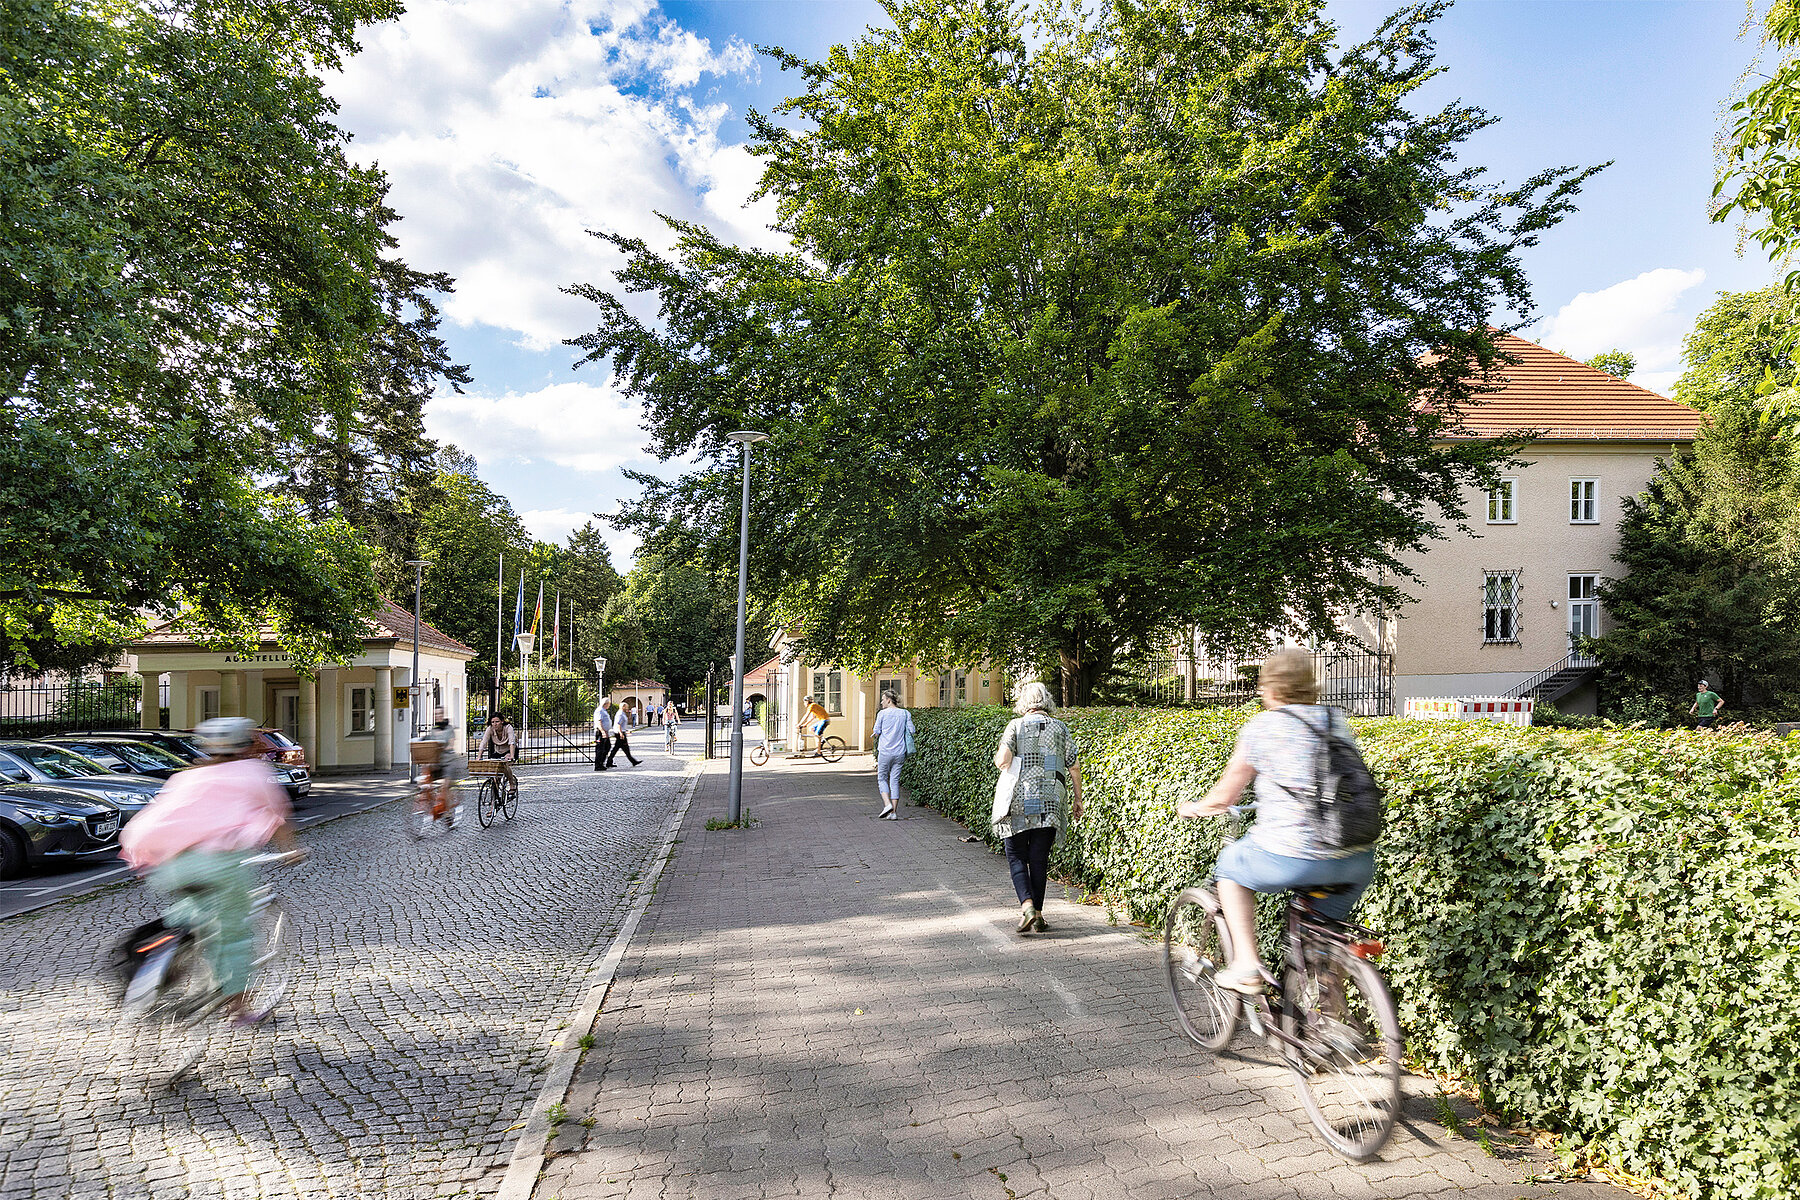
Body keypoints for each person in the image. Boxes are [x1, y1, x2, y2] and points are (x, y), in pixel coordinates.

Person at [1177, 648, 1380, 994]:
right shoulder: (1334, 720)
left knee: (1229, 868)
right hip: (1355, 858)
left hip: (1291, 857)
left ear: (1269, 688)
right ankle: (1330, 1018)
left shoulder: (1263, 726)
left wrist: (1195, 806)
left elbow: (1226, 796)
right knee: (1321, 936)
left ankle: (1246, 966)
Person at [119, 717, 304, 1023]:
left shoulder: (186, 777)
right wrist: (290, 851)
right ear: (245, 744)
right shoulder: (252, 772)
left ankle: (168, 962)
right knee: (234, 935)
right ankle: (239, 1009)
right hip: (218, 865)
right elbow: (278, 816)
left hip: (169, 864)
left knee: (190, 917)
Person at [992, 682, 1082, 933]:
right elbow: (1073, 766)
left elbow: (1003, 760)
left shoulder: (1015, 726)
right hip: (1051, 800)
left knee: (1016, 855)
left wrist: (1004, 757)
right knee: (1039, 858)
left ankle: (1028, 906)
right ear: (1046, 701)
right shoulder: (1060, 727)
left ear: (1024, 703)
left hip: (1020, 800)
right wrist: (1077, 799)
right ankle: (1039, 916)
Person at [871, 690, 916, 819]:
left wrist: (877, 734)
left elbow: (877, 731)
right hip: (900, 752)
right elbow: (912, 730)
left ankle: (887, 804)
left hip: (885, 752)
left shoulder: (882, 714)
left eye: (883, 699)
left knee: (882, 778)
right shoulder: (905, 713)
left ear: (889, 700)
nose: (881, 702)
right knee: (895, 781)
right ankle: (894, 813)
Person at [417, 706, 463, 817]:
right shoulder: (433, 730)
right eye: (435, 714)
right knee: (426, 777)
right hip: (437, 761)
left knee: (445, 787)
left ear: (443, 715)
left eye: (439, 714)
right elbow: (429, 742)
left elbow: (451, 744)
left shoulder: (449, 729)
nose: (437, 716)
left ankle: (447, 812)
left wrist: (442, 747)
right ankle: (428, 800)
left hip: (449, 761)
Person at [477, 713, 519, 793]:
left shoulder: (508, 728)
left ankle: (512, 784)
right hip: (498, 751)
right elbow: (484, 742)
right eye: (492, 722)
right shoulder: (490, 729)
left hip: (510, 750)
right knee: (496, 773)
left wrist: (511, 756)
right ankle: (495, 796)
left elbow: (512, 742)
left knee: (505, 764)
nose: (494, 724)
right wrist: (479, 756)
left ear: (502, 721)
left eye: (497, 722)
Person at [610, 697, 642, 767]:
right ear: (623, 707)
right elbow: (618, 724)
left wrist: (626, 731)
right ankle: (633, 761)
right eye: (627, 707)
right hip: (619, 733)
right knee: (624, 748)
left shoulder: (622, 713)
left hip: (621, 732)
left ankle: (609, 761)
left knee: (617, 748)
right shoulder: (620, 714)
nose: (628, 708)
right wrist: (621, 733)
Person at [592, 698, 615, 771]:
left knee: (607, 747)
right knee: (600, 749)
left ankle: (601, 763)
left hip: (604, 732)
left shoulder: (603, 710)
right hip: (600, 732)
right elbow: (599, 722)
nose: (609, 705)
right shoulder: (600, 711)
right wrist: (602, 731)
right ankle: (598, 765)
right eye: (609, 704)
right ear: (606, 704)